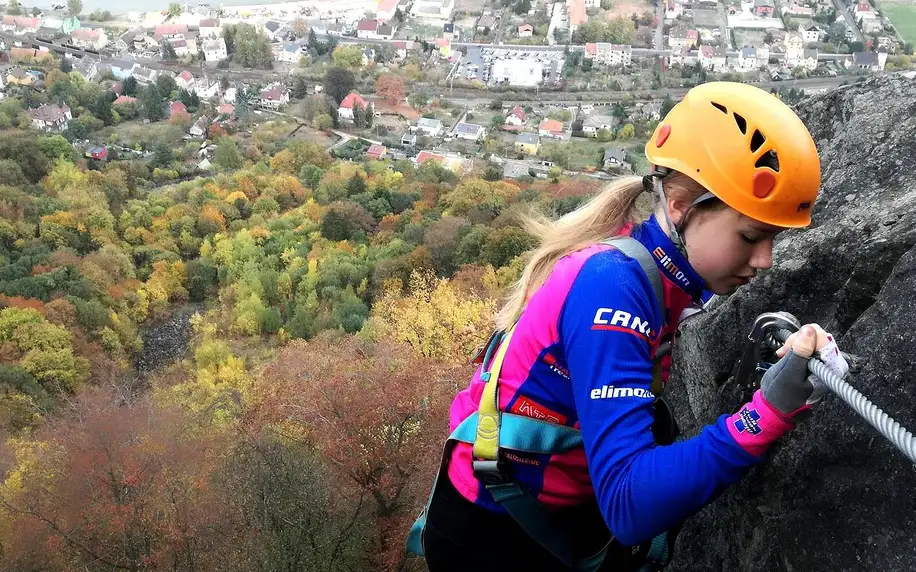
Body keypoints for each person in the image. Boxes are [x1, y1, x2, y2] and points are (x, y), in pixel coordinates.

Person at [412, 81, 851, 572]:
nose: (765, 260)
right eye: (751, 235)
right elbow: (628, 503)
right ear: (683, 206)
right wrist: (766, 413)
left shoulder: (664, 271)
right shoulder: (612, 288)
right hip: (494, 532)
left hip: (544, 506)